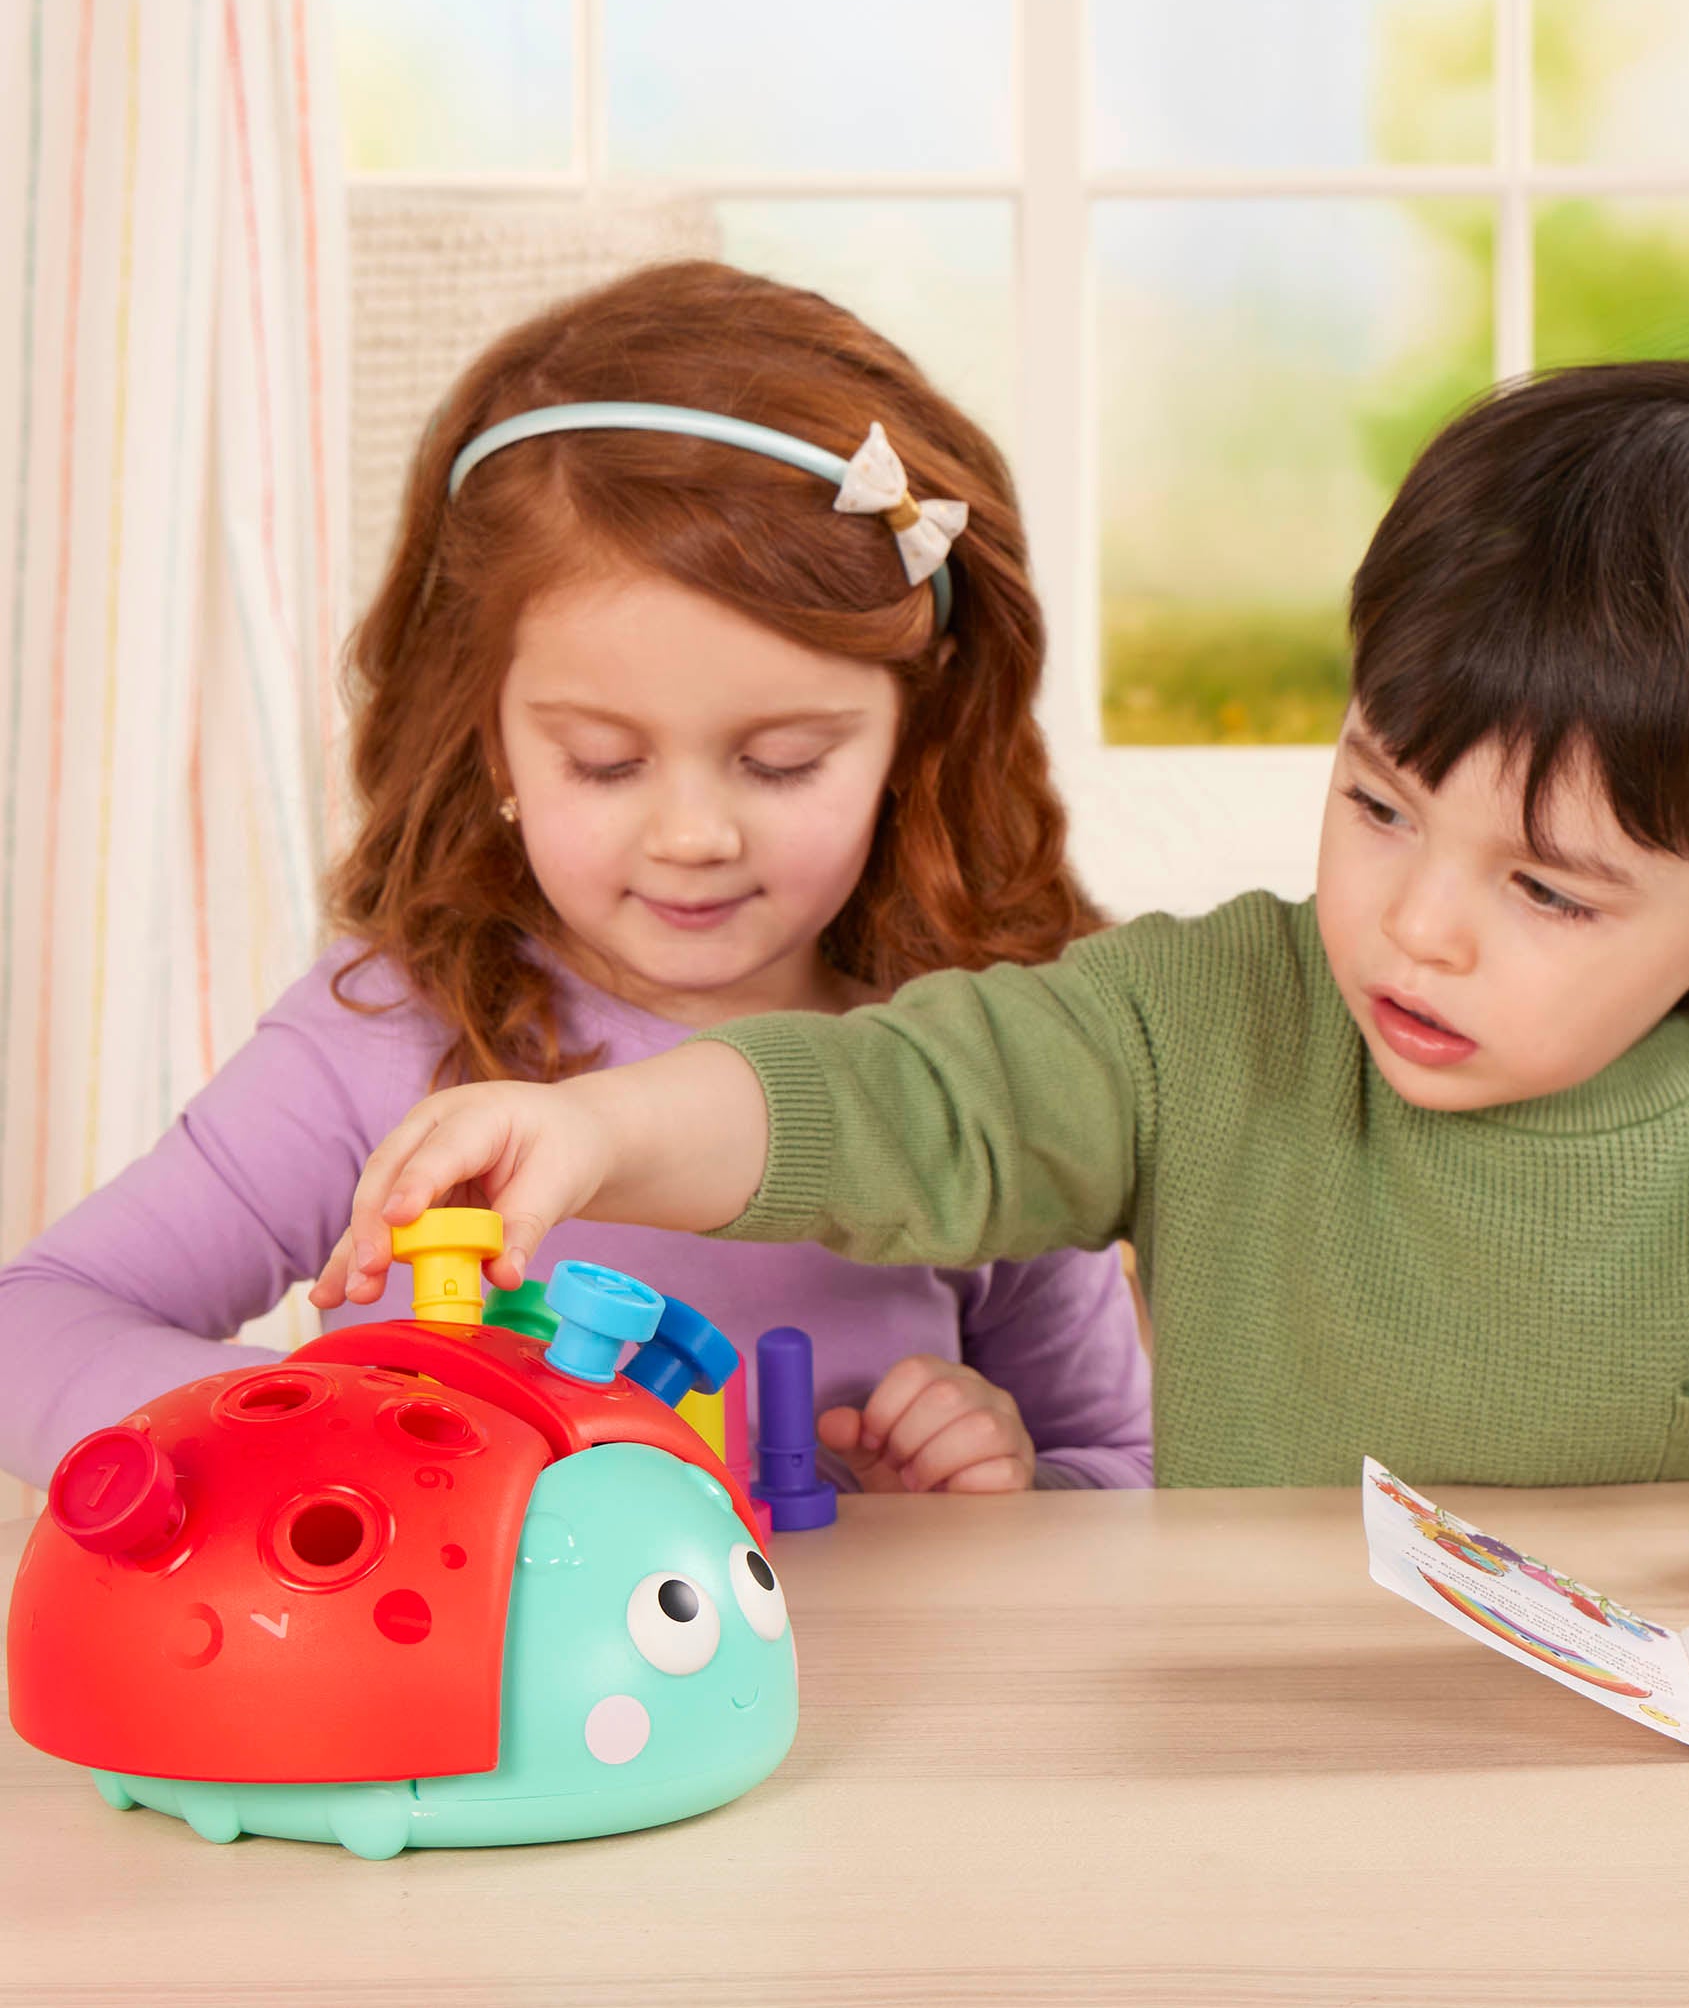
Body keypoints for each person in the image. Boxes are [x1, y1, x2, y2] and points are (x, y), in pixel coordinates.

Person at [321, 360, 1689, 1603]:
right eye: (1378, 804)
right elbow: (906, 1094)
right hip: (1264, 1743)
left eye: (1550, 891)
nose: (1419, 927)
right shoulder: (1215, 1021)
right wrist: (603, 1131)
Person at [0, 260, 1152, 1495]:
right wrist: (320, 1445)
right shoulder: (389, 1041)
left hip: (882, 1692)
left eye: (782, 761)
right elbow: (36, 1326)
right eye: (605, 763)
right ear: (489, 734)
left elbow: (1121, 1470)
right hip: (458, 1694)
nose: (693, 834)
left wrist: (1010, 1486)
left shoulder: (971, 1064)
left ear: (910, 740)